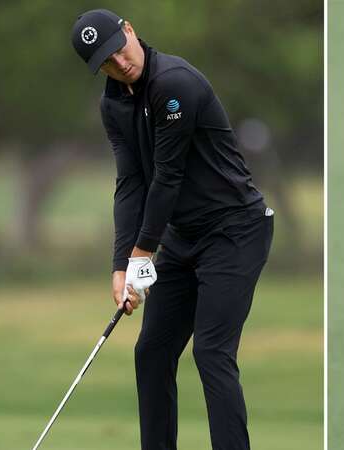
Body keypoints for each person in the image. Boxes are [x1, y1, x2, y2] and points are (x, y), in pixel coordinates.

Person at [71, 9, 274, 450]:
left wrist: (143, 253)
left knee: (211, 352)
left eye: (118, 50)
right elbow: (130, 182)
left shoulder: (175, 83)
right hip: (184, 236)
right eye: (106, 61)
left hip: (234, 229)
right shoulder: (114, 103)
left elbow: (167, 176)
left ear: (129, 31)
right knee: (151, 353)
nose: (119, 63)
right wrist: (121, 265)